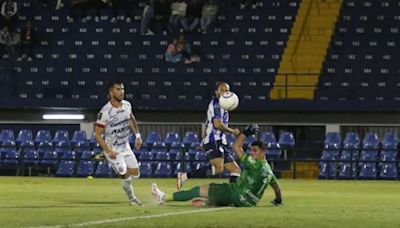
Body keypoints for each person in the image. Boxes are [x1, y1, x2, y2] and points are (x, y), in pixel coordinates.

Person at [152, 124, 283, 207]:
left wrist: (245, 133)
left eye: (255, 151)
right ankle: (208, 202)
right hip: (249, 203)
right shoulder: (269, 171)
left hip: (236, 195)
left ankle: (163, 197)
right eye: (252, 150)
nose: (252, 153)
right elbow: (277, 189)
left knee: (197, 190)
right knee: (231, 175)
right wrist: (278, 200)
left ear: (263, 152)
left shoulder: (254, 164)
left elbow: (236, 146)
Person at [176, 82, 241, 189]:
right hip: (214, 141)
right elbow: (217, 124)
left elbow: (210, 126)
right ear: (216, 92)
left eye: (227, 90)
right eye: (222, 90)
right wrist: (232, 131)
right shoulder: (216, 104)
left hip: (220, 141)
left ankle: (233, 193)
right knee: (219, 168)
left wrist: (203, 142)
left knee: (236, 169)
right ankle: (185, 176)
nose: (225, 92)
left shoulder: (223, 106)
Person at [94, 80, 144, 206]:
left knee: (136, 174)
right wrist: (108, 151)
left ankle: (126, 183)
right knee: (124, 174)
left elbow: (131, 119)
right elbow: (97, 134)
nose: (121, 92)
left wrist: (137, 136)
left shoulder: (127, 105)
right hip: (113, 150)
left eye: (122, 89)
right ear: (111, 92)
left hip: (126, 147)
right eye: (118, 89)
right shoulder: (105, 112)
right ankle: (132, 199)